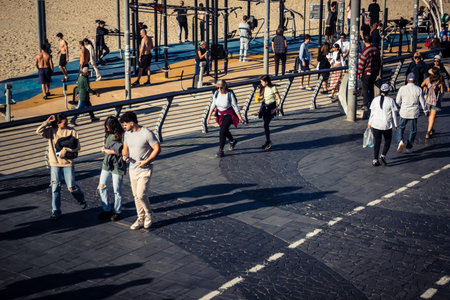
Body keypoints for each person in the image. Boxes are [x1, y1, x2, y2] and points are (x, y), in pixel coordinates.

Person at [36, 113, 87, 220]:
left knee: (71, 187)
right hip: (55, 164)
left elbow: (78, 147)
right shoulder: (51, 131)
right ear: (58, 123)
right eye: (65, 122)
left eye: (67, 121)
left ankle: (81, 199)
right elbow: (38, 131)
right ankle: (56, 211)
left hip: (68, 163)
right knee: (55, 188)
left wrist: (66, 150)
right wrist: (47, 122)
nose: (67, 123)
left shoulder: (72, 131)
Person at [120, 111, 161, 230]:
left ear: (132, 123)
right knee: (135, 196)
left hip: (145, 169)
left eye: (125, 124)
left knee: (141, 194)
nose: (124, 127)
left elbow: (157, 148)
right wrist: (124, 156)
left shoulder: (147, 133)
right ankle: (140, 218)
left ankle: (148, 214)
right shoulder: (127, 134)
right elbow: (125, 148)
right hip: (132, 169)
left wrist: (147, 161)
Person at [206, 79, 245, 158]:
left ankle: (221, 150)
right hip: (220, 115)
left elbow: (235, 106)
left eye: (221, 88)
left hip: (229, 114)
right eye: (218, 88)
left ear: (225, 86)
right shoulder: (216, 93)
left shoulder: (229, 94)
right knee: (225, 130)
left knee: (222, 131)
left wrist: (240, 118)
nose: (219, 90)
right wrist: (209, 116)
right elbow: (213, 105)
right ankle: (232, 141)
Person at [98, 116, 126, 222]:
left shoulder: (123, 135)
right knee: (102, 187)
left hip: (117, 165)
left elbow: (125, 151)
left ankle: (117, 211)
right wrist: (104, 149)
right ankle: (106, 209)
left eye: (108, 127)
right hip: (106, 164)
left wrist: (111, 152)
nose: (107, 129)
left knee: (117, 190)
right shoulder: (108, 134)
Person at [396, 73, 428, 153]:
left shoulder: (402, 89)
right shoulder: (418, 89)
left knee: (401, 127)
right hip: (414, 112)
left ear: (407, 79)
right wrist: (425, 111)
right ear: (415, 80)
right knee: (413, 130)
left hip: (404, 111)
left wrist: (401, 105)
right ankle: (408, 147)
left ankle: (400, 141)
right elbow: (422, 102)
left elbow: (397, 101)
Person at [367, 83, 398, 167]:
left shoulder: (375, 100)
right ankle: (383, 155)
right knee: (387, 141)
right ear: (388, 91)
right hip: (386, 125)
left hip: (375, 124)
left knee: (377, 142)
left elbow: (372, 113)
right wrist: (396, 124)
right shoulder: (391, 100)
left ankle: (375, 159)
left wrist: (369, 123)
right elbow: (394, 114)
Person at [257, 75, 281, 151]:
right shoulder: (263, 88)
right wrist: (258, 98)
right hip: (265, 107)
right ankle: (267, 141)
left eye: (262, 81)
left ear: (266, 82)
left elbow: (278, 98)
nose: (261, 83)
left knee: (266, 124)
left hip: (271, 108)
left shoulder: (273, 88)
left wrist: (276, 108)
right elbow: (262, 97)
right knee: (265, 125)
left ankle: (268, 142)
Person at [358, 35, 381, 110]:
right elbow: (379, 62)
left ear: (364, 41)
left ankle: (365, 104)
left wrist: (359, 73)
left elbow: (361, 63)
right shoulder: (376, 50)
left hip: (367, 73)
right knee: (371, 88)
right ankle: (371, 103)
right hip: (374, 72)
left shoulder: (365, 51)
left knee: (365, 88)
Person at [421, 67, 444, 139]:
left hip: (427, 100)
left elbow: (422, 85)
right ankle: (428, 131)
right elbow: (442, 92)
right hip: (435, 101)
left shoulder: (427, 79)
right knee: (432, 116)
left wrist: (425, 87)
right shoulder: (439, 82)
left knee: (430, 116)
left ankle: (430, 129)